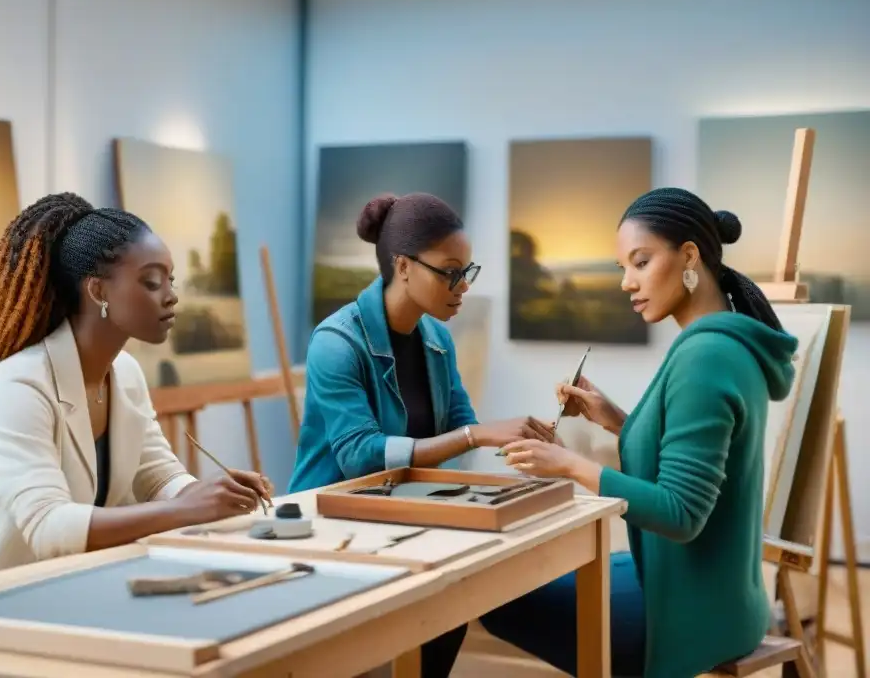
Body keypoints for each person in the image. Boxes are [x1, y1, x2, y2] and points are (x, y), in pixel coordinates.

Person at [480, 187, 798, 678]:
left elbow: (682, 512)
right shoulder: (723, 341)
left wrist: (568, 465)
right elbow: (691, 459)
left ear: (689, 255)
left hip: (691, 611)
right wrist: (616, 419)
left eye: (641, 262)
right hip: (720, 593)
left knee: (496, 596)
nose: (628, 283)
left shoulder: (705, 357)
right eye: (622, 269)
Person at [0, 193, 270, 592]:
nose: (170, 296)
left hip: (58, 595)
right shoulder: (17, 386)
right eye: (151, 282)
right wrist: (185, 509)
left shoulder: (126, 374)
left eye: (170, 280)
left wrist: (212, 493)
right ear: (98, 291)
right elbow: (48, 526)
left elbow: (157, 476)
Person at [289, 192, 534, 678]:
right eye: (449, 271)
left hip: (400, 523)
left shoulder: (437, 339)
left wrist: (523, 443)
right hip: (331, 530)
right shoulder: (336, 343)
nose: (461, 285)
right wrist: (476, 436)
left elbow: (462, 421)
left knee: (452, 605)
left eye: (467, 270)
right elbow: (361, 456)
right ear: (402, 265)